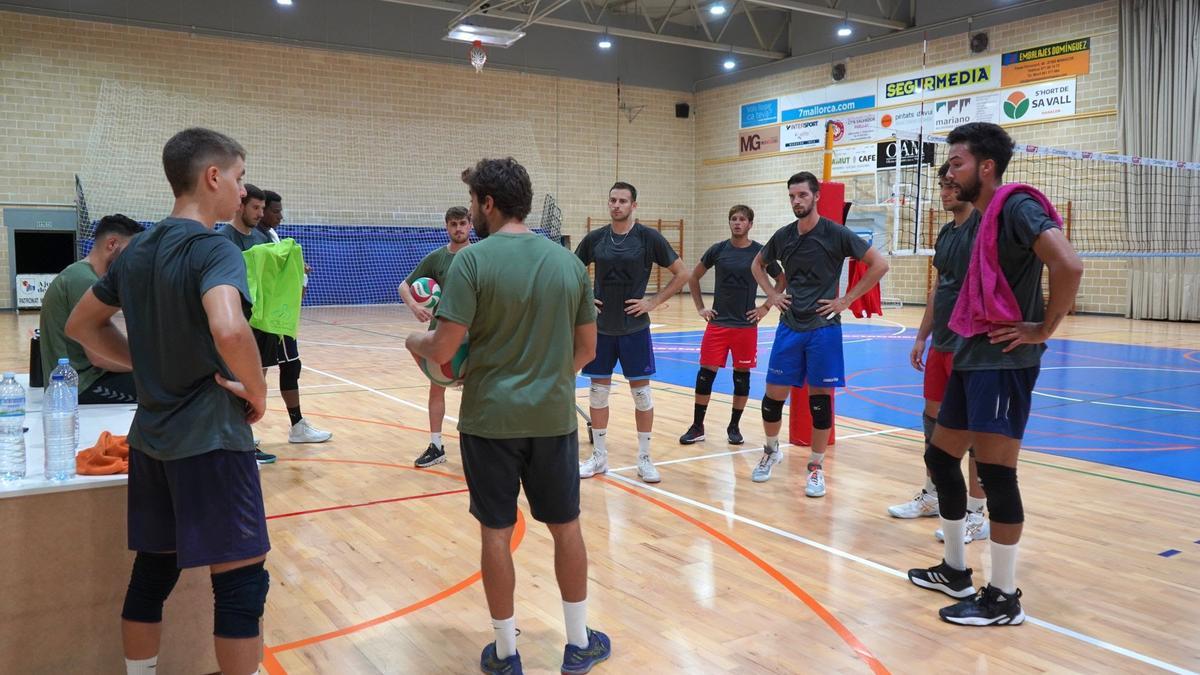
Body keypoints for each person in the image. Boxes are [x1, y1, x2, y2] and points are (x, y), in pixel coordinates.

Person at [66, 127, 271, 675]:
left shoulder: (135, 253)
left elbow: (81, 324)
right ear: (212, 177)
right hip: (211, 439)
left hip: (151, 442)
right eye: (239, 177)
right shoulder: (214, 247)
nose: (240, 189)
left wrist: (146, 359)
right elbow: (228, 328)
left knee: (152, 575)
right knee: (241, 584)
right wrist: (257, 390)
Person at [406, 157, 610, 675]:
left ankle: (505, 652)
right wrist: (545, 376)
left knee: (496, 534)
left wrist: (415, 340)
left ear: (488, 204)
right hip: (552, 419)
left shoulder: (469, 263)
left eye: (473, 201)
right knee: (567, 529)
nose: (469, 212)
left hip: (489, 422)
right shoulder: (567, 263)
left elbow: (444, 348)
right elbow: (586, 349)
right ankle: (579, 643)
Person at [907, 122, 1082, 626]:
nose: (949, 172)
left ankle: (1004, 596)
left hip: (1004, 364)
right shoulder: (977, 220)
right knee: (940, 459)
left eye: (956, 163)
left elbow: (1068, 265)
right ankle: (956, 570)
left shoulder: (1015, 206)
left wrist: (1042, 328)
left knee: (997, 475)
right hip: (969, 357)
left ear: (985, 167)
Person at [749, 171, 889, 494]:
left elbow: (879, 264)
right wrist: (771, 294)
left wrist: (847, 299)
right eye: (792, 196)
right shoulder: (784, 236)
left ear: (816, 197)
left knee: (820, 404)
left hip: (824, 328)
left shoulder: (836, 234)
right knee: (772, 399)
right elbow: (757, 264)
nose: (796, 201)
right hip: (789, 326)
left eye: (802, 195)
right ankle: (771, 451)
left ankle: (815, 466)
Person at [888, 163, 990, 546]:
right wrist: (920, 337)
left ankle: (977, 515)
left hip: (972, 346)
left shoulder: (984, 226)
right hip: (942, 344)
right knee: (934, 424)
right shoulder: (947, 233)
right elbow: (938, 290)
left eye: (951, 185)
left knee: (978, 432)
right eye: (942, 186)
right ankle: (933, 494)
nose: (945, 193)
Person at [575, 182, 690, 483]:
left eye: (623, 201)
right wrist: (585, 296)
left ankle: (645, 458)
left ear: (634, 205)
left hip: (634, 329)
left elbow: (683, 273)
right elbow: (571, 271)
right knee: (598, 394)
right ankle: (599, 456)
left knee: (642, 396)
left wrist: (653, 302)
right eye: (612, 200)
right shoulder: (596, 238)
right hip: (600, 330)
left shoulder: (648, 238)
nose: (616, 205)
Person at [219, 186, 331, 460]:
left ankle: (253, 432)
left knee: (267, 372)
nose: (261, 213)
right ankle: (236, 434)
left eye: (262, 208)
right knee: (241, 377)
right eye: (256, 208)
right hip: (241, 321)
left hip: (266, 319)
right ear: (241, 206)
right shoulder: (225, 239)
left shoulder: (262, 236)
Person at [679, 204, 782, 446]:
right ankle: (697, 426)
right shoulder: (718, 250)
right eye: (733, 219)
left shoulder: (760, 252)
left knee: (741, 378)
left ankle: (734, 426)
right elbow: (693, 277)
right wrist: (700, 308)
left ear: (750, 224)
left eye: (742, 219)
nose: (737, 223)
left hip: (745, 326)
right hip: (718, 324)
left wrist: (766, 307)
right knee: (705, 376)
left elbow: (782, 279)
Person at [39, 214, 144, 404]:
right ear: (112, 244)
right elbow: (99, 357)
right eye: (132, 251)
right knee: (167, 388)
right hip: (80, 386)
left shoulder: (79, 275)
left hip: (77, 381)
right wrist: (151, 366)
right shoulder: (84, 281)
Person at [398, 206, 472, 467]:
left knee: (474, 392)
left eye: (462, 223)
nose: (458, 228)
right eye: (453, 224)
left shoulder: (479, 256)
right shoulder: (436, 257)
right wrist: (415, 307)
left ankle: (474, 447)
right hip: (440, 333)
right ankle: (436, 445)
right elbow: (403, 286)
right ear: (446, 227)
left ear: (470, 225)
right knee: (436, 387)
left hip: (473, 335)